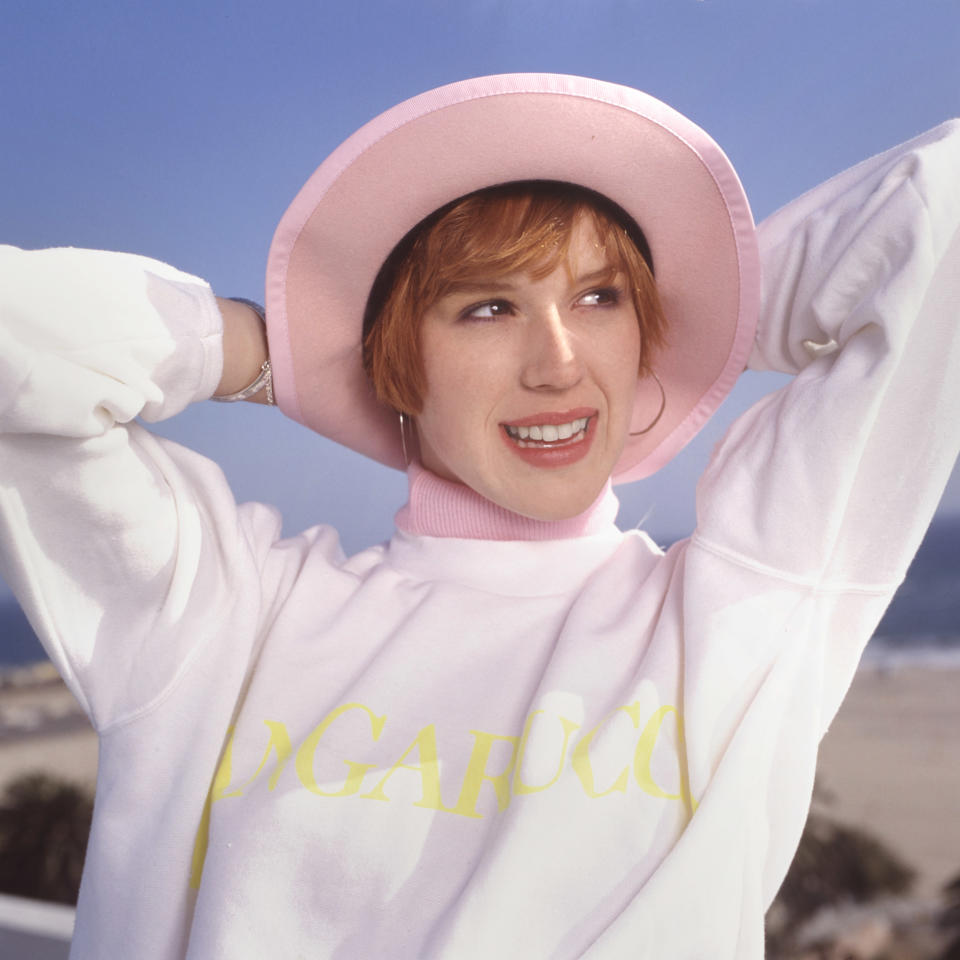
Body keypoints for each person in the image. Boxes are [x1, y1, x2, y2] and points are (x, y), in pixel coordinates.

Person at [0, 74, 957, 959]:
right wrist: (270, 352)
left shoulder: (741, 608)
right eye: (488, 309)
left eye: (599, 298)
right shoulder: (231, 614)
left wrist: (711, 302)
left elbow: (940, 222)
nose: (559, 364)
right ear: (396, 358)